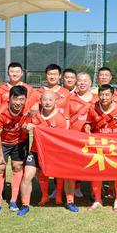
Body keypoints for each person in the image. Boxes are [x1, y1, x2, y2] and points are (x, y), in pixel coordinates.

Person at [18, 90, 78, 216]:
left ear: (55, 102)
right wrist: (26, 127)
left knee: (68, 175)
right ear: (40, 101)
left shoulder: (60, 119)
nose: (47, 102)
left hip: (54, 152)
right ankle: (25, 204)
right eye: (45, 100)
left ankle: (70, 201)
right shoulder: (34, 113)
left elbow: (62, 138)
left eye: (50, 100)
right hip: (36, 150)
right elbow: (22, 126)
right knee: (27, 176)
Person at [84, 84, 117, 212]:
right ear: (98, 95)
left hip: (115, 146)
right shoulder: (93, 108)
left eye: (107, 95)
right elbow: (88, 123)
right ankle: (98, 199)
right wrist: (87, 129)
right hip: (98, 145)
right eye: (101, 95)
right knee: (96, 173)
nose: (104, 97)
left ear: (112, 96)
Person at [0, 85, 32, 216]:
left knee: (17, 167)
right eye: (15, 99)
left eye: (22, 99)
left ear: (25, 99)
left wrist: (26, 127)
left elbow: (25, 123)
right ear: (9, 99)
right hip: (2, 142)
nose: (18, 102)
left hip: (19, 141)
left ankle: (13, 201)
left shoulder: (27, 108)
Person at [36, 64, 71, 203]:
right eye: (50, 74)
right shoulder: (38, 92)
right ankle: (45, 195)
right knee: (42, 168)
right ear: (46, 75)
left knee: (60, 168)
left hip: (59, 135)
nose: (52, 76)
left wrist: (65, 136)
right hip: (43, 138)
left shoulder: (65, 92)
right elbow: (33, 110)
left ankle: (58, 194)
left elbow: (67, 116)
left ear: (60, 76)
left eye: (55, 74)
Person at [67, 72, 98, 200]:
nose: (82, 83)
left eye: (85, 81)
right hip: (75, 138)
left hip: (93, 138)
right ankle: (75, 187)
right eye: (80, 80)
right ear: (76, 82)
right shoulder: (70, 98)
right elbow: (66, 118)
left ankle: (95, 191)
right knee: (74, 164)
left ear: (90, 83)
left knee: (94, 164)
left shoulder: (97, 98)